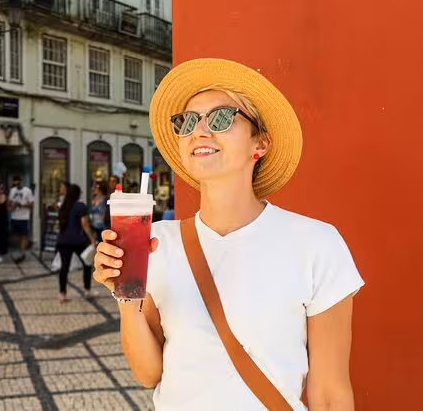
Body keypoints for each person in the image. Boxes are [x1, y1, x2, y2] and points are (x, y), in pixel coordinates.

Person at [93, 59, 364, 410]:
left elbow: (330, 395)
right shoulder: (157, 243)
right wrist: (127, 298)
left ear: (260, 144)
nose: (199, 131)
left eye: (221, 118)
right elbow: (148, 374)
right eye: (187, 121)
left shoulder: (316, 245)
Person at [56, 184, 97, 303]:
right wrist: (92, 239)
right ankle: (87, 290)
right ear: (78, 194)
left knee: (64, 267)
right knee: (87, 263)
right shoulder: (80, 206)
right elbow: (84, 224)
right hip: (78, 240)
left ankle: (62, 293)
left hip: (63, 240)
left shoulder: (63, 205)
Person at [8, 175, 34, 259]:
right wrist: (11, 206)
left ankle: (22, 252)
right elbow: (9, 203)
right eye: (15, 184)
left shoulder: (27, 191)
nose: (17, 185)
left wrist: (21, 205)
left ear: (21, 182)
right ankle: (20, 248)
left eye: (18, 183)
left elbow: (31, 204)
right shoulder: (12, 191)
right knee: (14, 237)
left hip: (24, 218)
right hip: (14, 217)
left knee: (24, 235)